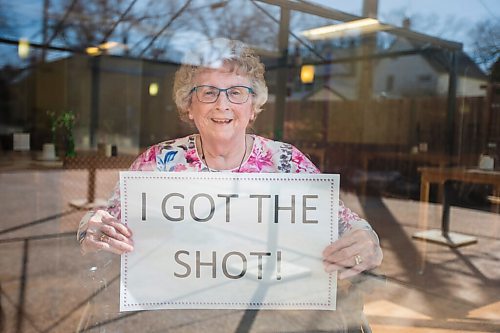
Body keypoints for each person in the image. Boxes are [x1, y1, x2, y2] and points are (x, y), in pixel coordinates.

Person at [78, 38, 382, 283]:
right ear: (189, 106)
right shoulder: (160, 161)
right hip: (175, 307)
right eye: (209, 92)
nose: (223, 104)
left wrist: (367, 241)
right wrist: (89, 230)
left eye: (236, 92)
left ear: (253, 107)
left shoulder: (287, 162)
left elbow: (344, 224)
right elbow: (107, 221)